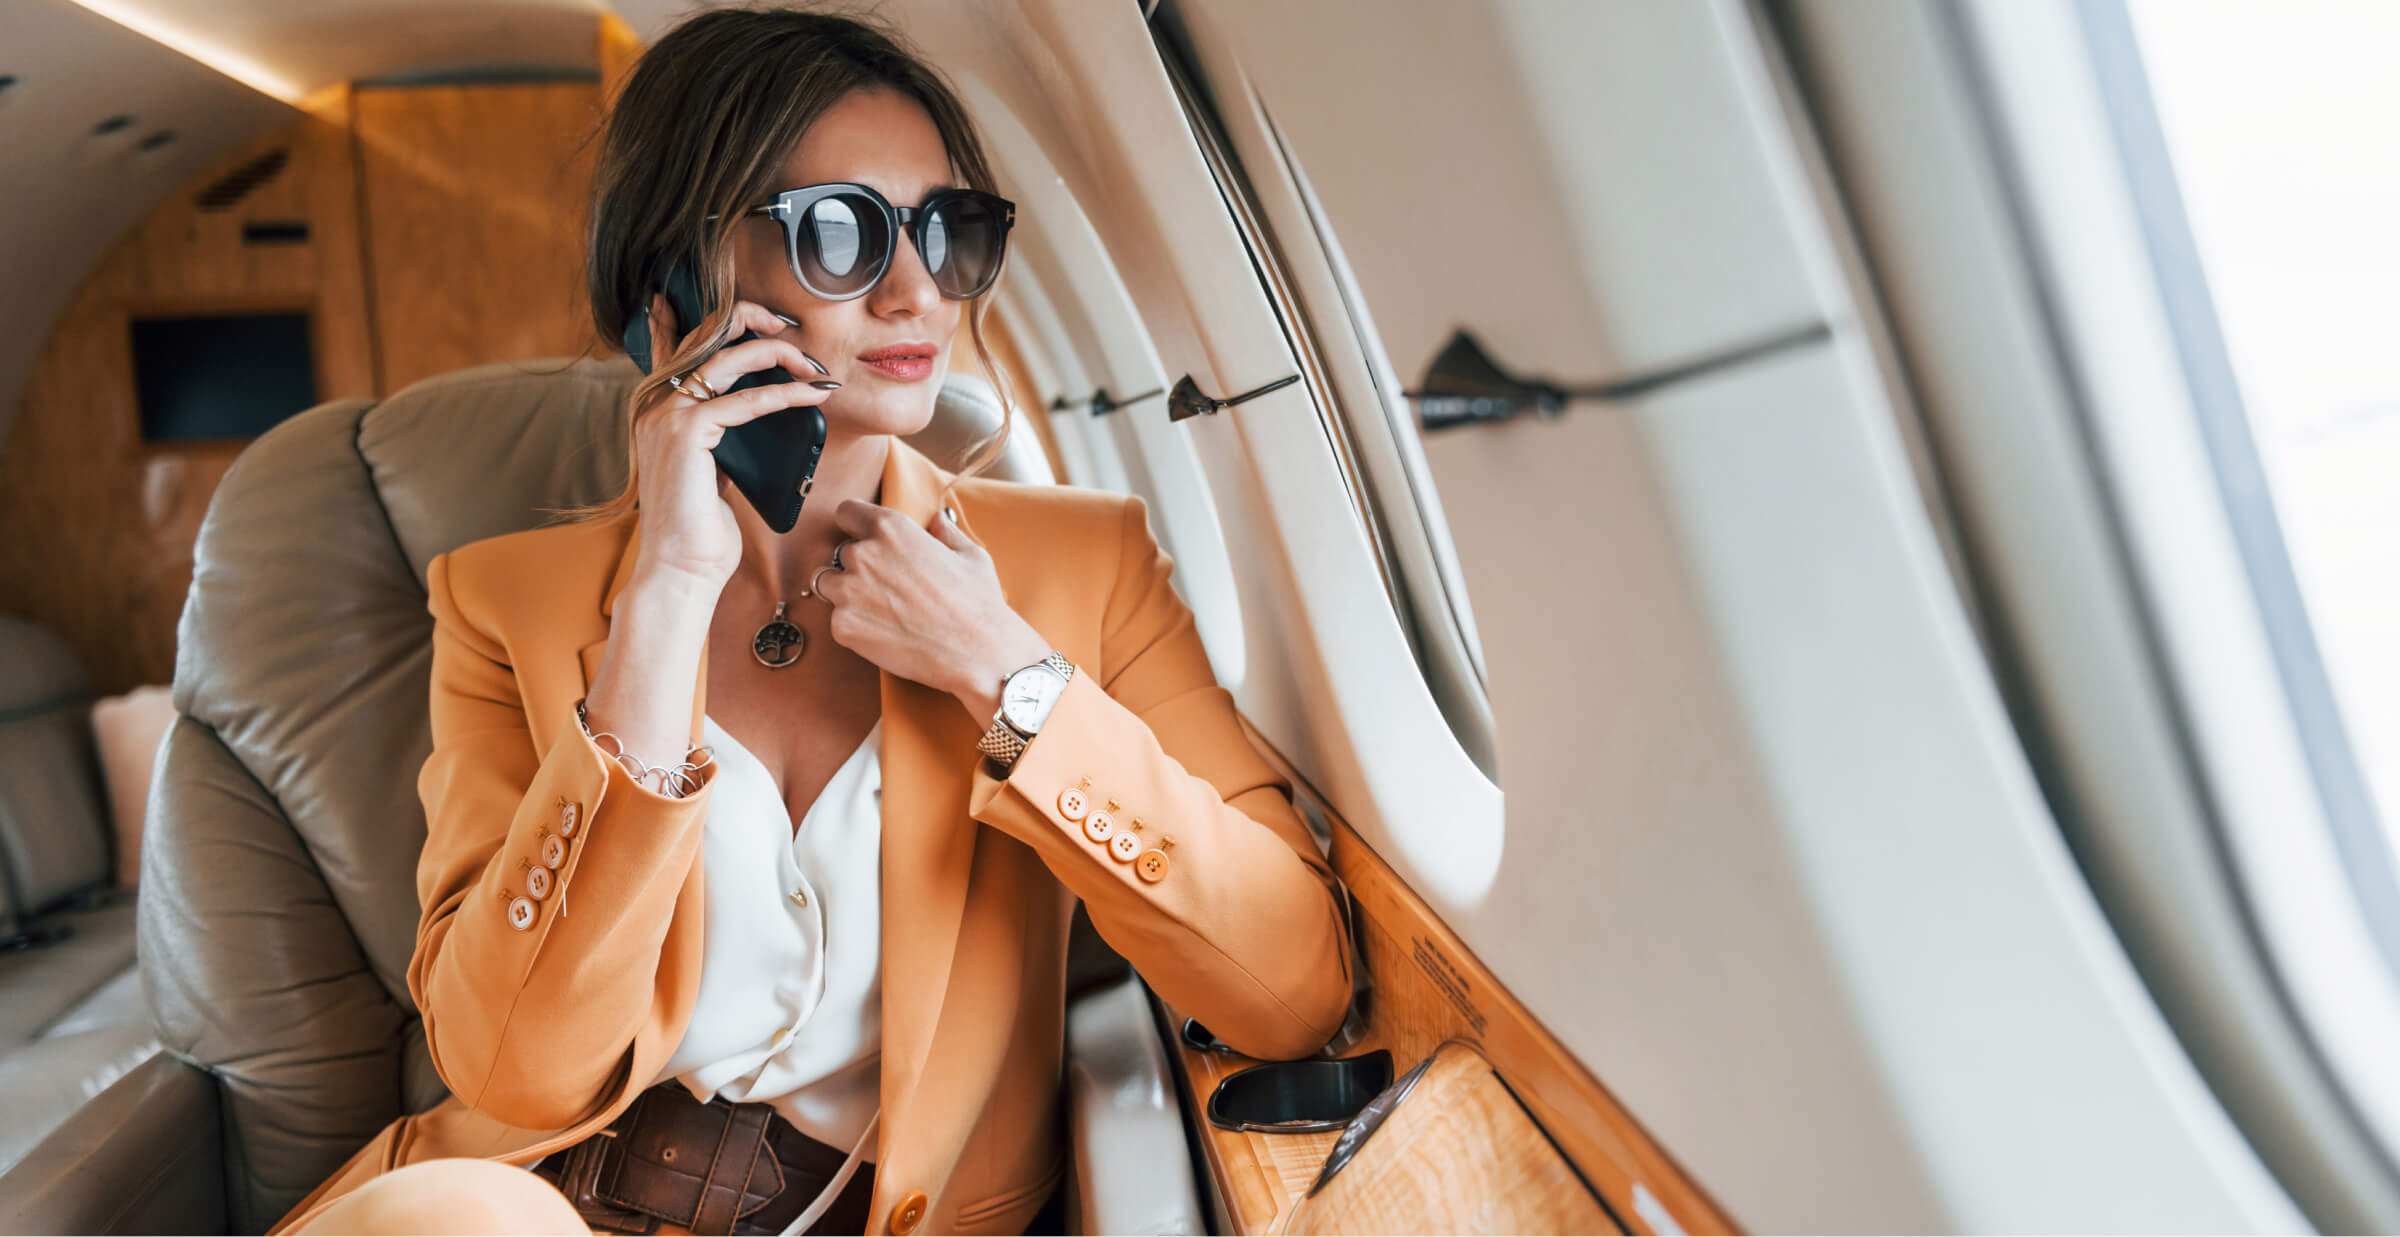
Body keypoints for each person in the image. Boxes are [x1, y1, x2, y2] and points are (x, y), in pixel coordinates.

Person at [274, 7, 1353, 1235]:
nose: (915, 289)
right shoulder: (503, 601)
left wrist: (1008, 680)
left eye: (948, 233)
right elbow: (511, 1069)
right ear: (680, 273)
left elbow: (1295, 988)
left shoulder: (1080, 566)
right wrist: (664, 603)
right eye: (839, 232)